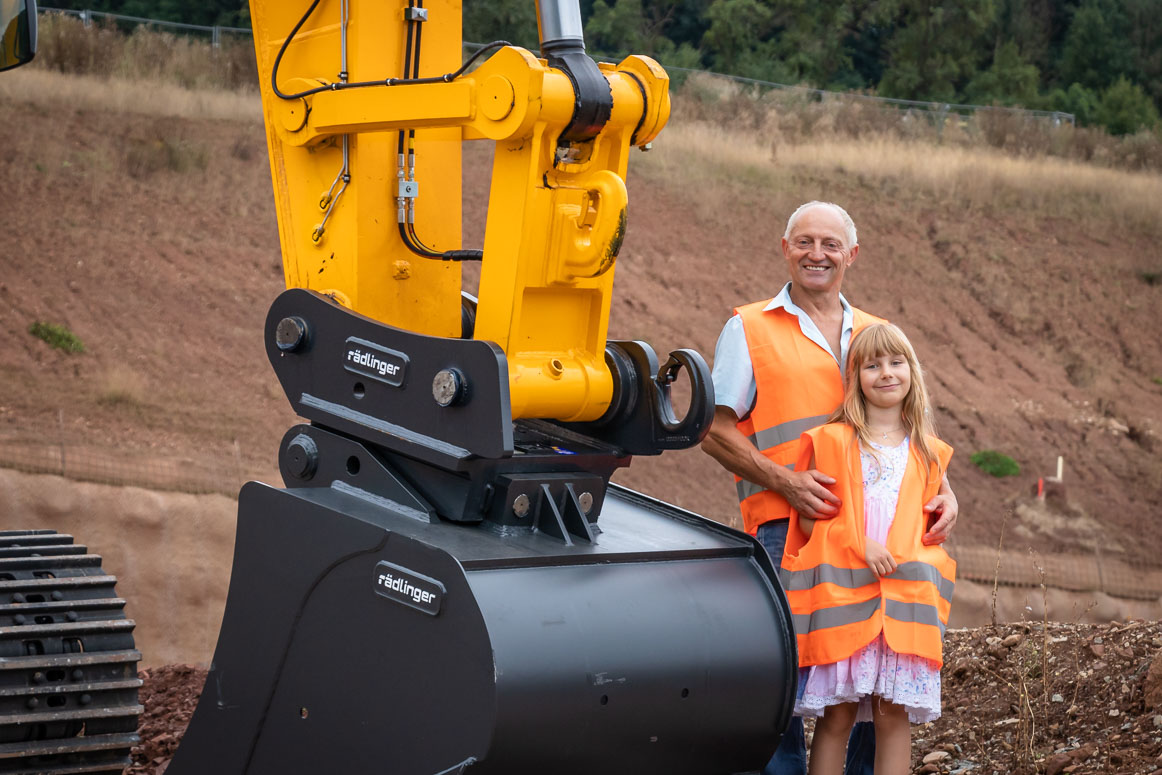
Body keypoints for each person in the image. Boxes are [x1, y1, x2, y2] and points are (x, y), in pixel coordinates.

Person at [700, 201, 958, 775]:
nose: (818, 254)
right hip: (783, 531)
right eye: (805, 242)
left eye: (830, 244)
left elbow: (910, 426)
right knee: (787, 679)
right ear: (785, 248)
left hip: (880, 537)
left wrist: (947, 493)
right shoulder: (750, 328)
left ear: (852, 255)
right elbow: (713, 432)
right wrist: (787, 482)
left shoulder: (874, 335)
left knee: (877, 673)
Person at [782, 323, 955, 775]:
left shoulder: (929, 454)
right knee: (837, 715)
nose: (886, 373)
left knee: (892, 715)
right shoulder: (833, 441)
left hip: (902, 608)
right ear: (854, 377)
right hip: (846, 601)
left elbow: (930, 531)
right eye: (872, 365)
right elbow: (805, 518)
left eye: (896, 362)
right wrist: (860, 543)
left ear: (912, 372)